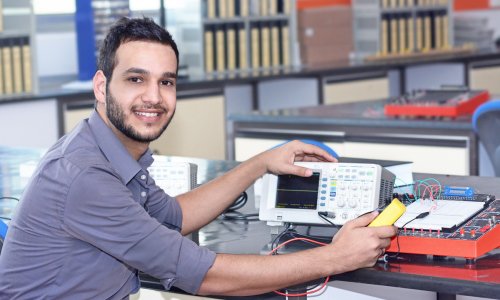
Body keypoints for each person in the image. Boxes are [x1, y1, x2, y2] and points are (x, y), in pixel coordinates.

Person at [0, 17, 397, 299]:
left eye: (166, 82)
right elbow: (204, 275)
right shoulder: (85, 175)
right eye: (136, 79)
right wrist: (335, 257)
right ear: (102, 86)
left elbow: (174, 217)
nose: (154, 97)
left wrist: (261, 163)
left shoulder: (108, 149)